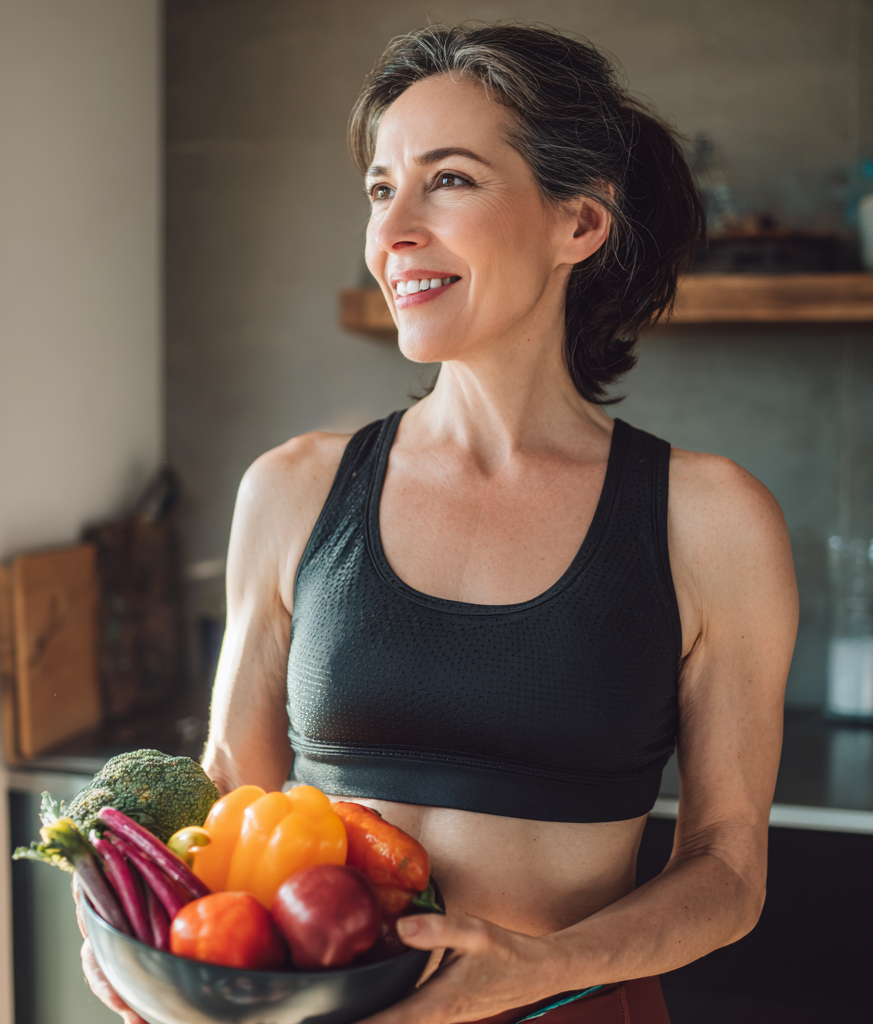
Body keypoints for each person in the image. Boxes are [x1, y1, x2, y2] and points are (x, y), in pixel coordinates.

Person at [81, 23, 798, 1024]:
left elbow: (728, 869)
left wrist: (536, 966)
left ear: (577, 224)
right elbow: (230, 789)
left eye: (448, 180)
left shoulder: (709, 519)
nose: (393, 230)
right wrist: (138, 931)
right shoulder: (292, 490)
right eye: (381, 190)